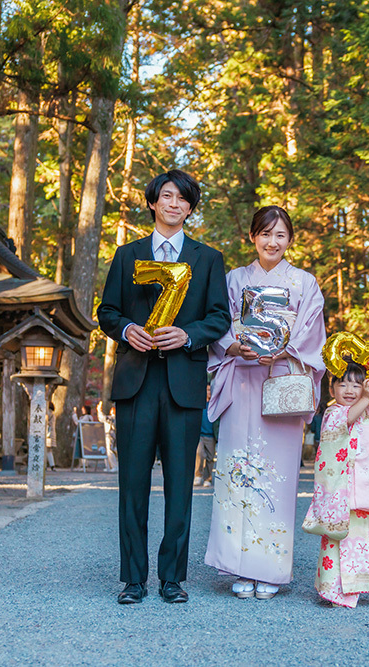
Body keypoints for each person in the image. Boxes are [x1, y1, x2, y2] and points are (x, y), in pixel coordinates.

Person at [97, 169, 231, 605]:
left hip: (184, 382)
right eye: (166, 196)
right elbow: (107, 312)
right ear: (153, 202)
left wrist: (188, 334)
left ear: (190, 208)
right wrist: (128, 328)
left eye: (183, 199)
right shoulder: (127, 254)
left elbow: (219, 317)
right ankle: (133, 579)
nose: (174, 204)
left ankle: (172, 578)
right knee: (132, 484)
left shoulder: (207, 258)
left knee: (180, 485)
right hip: (136, 381)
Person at [205, 205, 326, 601]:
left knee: (278, 473)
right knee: (237, 469)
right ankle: (238, 565)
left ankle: (270, 568)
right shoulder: (234, 279)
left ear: (290, 240)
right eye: (265, 234)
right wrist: (233, 345)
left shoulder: (304, 282)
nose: (272, 243)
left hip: (283, 379)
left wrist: (283, 346)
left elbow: (311, 330)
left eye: (280, 236)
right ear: (253, 237)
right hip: (242, 376)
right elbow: (219, 322)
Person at [302, 362, 369, 608]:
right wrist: (367, 397)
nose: (350, 389)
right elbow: (347, 420)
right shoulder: (334, 413)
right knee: (340, 541)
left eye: (356, 384)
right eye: (342, 384)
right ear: (332, 389)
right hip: (344, 495)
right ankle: (335, 590)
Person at [194, 385, 216, 487]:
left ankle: (208, 478)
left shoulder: (215, 404)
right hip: (199, 434)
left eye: (210, 390)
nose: (208, 392)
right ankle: (198, 475)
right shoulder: (200, 403)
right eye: (207, 390)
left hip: (211, 435)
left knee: (210, 458)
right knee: (199, 453)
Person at [96, 401, 118, 473]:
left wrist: (99, 410)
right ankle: (109, 466)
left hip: (109, 435)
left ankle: (114, 466)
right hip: (110, 435)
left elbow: (102, 418)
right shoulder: (114, 418)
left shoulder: (112, 418)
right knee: (108, 451)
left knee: (109, 451)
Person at [46, 403, 57, 471]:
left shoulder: (48, 413)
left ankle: (50, 465)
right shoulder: (53, 414)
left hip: (48, 434)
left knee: (47, 450)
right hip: (52, 433)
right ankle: (52, 465)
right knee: (49, 450)